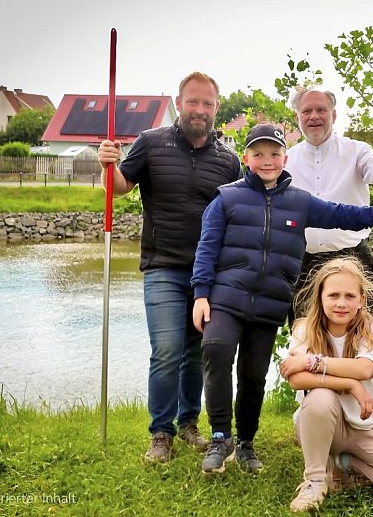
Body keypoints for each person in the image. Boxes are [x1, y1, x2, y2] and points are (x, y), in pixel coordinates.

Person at [190, 123, 373, 475]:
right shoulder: (227, 198)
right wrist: (201, 294)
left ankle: (246, 442)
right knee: (216, 350)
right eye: (259, 154)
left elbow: (345, 214)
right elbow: (206, 248)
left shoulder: (299, 201)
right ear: (246, 158)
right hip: (226, 297)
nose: (267, 160)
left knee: (254, 373)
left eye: (275, 153)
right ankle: (221, 437)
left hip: (269, 302)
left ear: (285, 158)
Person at [98, 71, 242, 463]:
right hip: (162, 266)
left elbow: (239, 212)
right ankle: (160, 433)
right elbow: (120, 185)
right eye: (192, 101)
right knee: (166, 349)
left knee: (195, 352)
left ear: (216, 108)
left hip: (208, 273)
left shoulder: (229, 161)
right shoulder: (150, 142)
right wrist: (108, 164)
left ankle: (188, 424)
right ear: (179, 103)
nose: (200, 109)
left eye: (207, 103)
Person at [285, 85, 373, 401]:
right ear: (298, 117)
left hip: (352, 256)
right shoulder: (288, 159)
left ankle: (372, 413)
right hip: (303, 262)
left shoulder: (356, 151)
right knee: (306, 336)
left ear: (333, 114)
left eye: (321, 110)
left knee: (365, 333)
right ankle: (313, 414)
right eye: (307, 111)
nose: (314, 116)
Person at [280, 257, 373, 512]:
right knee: (320, 397)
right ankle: (315, 480)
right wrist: (349, 385)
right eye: (333, 295)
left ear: (361, 300)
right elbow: (296, 379)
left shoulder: (370, 327)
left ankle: (345, 461)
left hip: (364, 423)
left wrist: (313, 362)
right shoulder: (304, 329)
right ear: (321, 297)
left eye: (349, 296)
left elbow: (364, 368)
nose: (341, 303)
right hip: (323, 422)